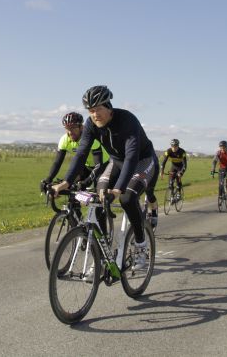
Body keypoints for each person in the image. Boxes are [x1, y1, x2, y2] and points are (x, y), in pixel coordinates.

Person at [52, 85, 159, 269]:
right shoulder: (90, 124)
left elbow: (132, 156)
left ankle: (141, 244)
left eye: (98, 109)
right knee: (98, 197)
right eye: (91, 111)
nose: (95, 114)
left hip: (142, 160)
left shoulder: (127, 120)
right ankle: (103, 253)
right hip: (116, 161)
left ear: (108, 107)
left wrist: (118, 189)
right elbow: (81, 154)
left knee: (127, 197)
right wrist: (65, 182)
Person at [40, 112, 109, 193]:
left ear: (81, 127)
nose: (70, 132)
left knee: (98, 195)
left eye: (73, 128)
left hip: (103, 166)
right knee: (70, 185)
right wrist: (48, 179)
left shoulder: (91, 138)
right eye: (67, 128)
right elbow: (57, 162)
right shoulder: (64, 140)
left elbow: (99, 165)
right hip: (85, 167)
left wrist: (87, 182)